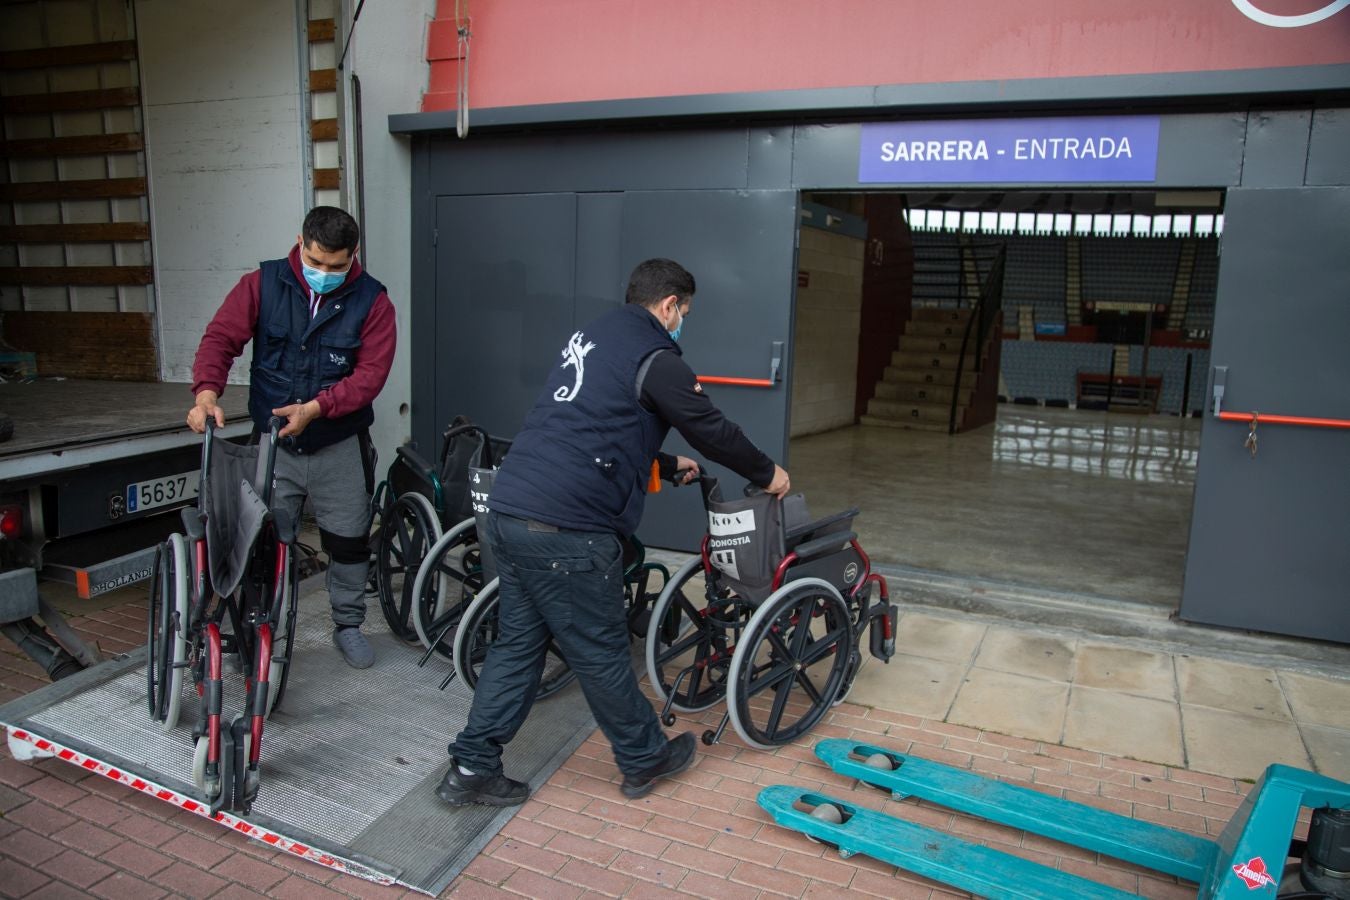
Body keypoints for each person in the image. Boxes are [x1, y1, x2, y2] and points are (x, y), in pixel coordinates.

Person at [439, 257, 790, 807]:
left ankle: (470, 766)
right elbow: (712, 430)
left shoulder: (595, 335)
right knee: (600, 652)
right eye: (685, 312)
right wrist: (768, 472)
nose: (682, 324)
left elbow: (596, 421)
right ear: (670, 305)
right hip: (567, 529)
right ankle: (644, 756)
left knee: (517, 646)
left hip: (510, 511)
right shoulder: (658, 358)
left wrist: (666, 465)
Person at [186, 206, 396, 669]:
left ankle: (348, 624)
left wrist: (317, 409)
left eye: (336, 266)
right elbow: (221, 339)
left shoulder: (373, 301)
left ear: (353, 256)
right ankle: (256, 630)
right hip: (273, 446)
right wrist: (206, 393)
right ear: (299, 243)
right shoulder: (262, 285)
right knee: (261, 540)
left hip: (339, 443)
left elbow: (370, 377)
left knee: (348, 540)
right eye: (315, 261)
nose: (324, 273)